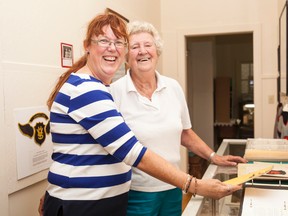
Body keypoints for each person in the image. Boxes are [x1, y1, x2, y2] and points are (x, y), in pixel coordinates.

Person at [39, 13, 242, 216]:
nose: (112, 48)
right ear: (88, 46)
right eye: (104, 41)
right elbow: (132, 152)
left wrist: (212, 157)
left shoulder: (98, 88)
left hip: (105, 199)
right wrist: (195, 185)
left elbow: (82, 150)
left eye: (118, 42)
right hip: (99, 200)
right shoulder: (95, 90)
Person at [109, 20, 247, 216]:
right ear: (126, 56)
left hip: (173, 186)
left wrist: (213, 156)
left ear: (156, 51)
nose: (142, 51)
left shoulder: (172, 87)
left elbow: (185, 133)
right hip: (136, 192)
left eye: (148, 45)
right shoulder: (115, 93)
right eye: (134, 46)